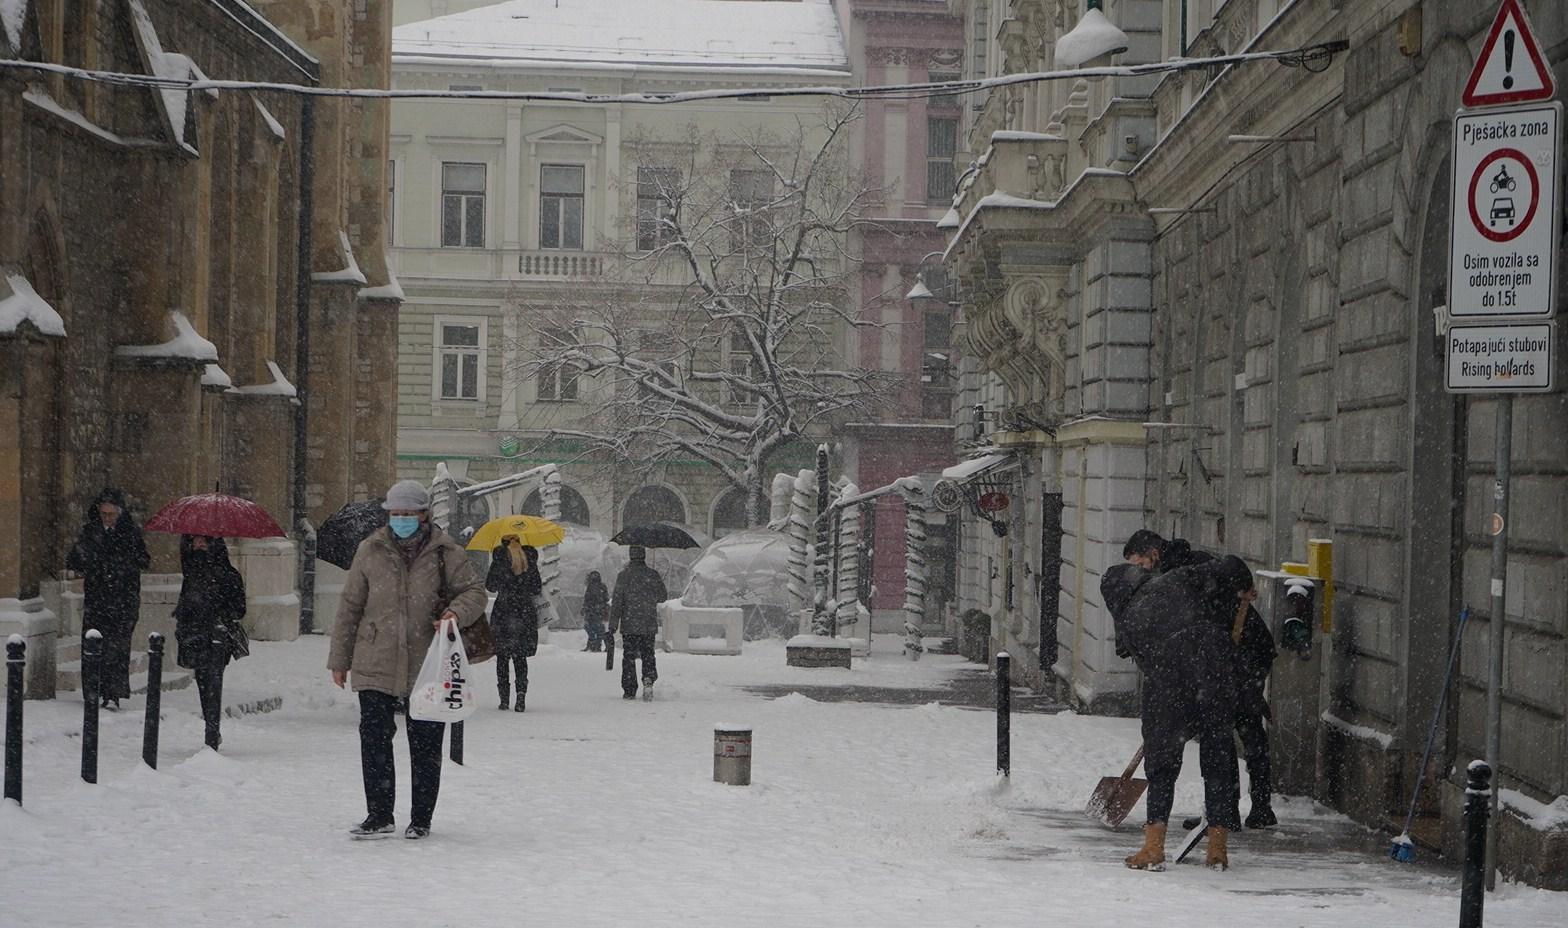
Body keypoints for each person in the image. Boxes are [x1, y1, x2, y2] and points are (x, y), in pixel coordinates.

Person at [328, 480, 487, 840]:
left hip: (428, 661)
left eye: (407, 513)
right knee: (374, 738)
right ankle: (379, 815)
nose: (400, 519)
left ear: (423, 514)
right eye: (394, 513)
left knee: (427, 743)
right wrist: (340, 658)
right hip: (376, 657)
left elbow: (475, 593)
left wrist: (454, 614)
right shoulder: (370, 549)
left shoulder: (446, 552)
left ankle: (421, 819)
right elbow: (350, 606)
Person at [1101, 555, 1255, 871]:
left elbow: (1149, 669)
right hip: (1216, 674)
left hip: (1170, 686)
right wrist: (1244, 586)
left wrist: (1161, 729)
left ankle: (1153, 847)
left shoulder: (1129, 621)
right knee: (1218, 760)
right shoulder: (1177, 577)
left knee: (1162, 766)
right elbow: (1229, 566)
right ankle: (1217, 849)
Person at [66, 487, 151, 711]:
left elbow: (144, 559)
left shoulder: (130, 533)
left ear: (119, 513)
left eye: (111, 514)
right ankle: (94, 690)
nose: (107, 518)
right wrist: (94, 562)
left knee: (117, 648)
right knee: (94, 646)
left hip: (123, 599)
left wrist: (122, 564)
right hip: (98, 600)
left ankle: (113, 692)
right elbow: (75, 559)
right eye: (104, 514)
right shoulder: (91, 532)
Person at [174, 535, 246, 750]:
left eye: (204, 541)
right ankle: (211, 725)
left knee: (212, 680)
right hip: (195, 633)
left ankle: (212, 728)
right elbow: (185, 601)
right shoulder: (191, 571)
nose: (199, 545)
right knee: (203, 680)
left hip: (217, 636)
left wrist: (218, 613)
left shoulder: (228, 574)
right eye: (195, 541)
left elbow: (238, 609)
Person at [487, 536, 542, 712]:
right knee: (520, 657)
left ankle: (504, 699)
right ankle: (521, 696)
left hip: (503, 611)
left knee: (502, 657)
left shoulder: (500, 559)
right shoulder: (529, 558)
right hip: (524, 612)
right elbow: (537, 588)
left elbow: (491, 586)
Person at [608, 545, 666, 700]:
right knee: (648, 654)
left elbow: (617, 602)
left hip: (629, 625)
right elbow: (662, 596)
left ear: (630, 556)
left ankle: (629, 688)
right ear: (644, 556)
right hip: (648, 624)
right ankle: (648, 678)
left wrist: (613, 624)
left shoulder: (623, 576)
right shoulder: (653, 575)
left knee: (629, 656)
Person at [581, 570, 609, 653]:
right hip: (598, 611)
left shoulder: (591, 587)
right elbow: (606, 598)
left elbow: (587, 600)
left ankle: (594, 645)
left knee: (593, 628)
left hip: (592, 611)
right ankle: (597, 645)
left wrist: (585, 608)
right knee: (598, 629)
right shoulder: (602, 586)